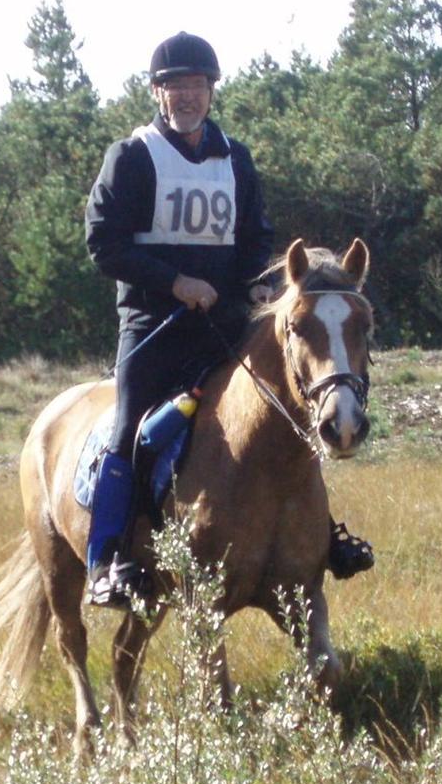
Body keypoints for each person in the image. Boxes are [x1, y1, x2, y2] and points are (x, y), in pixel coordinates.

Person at [83, 32, 373, 607]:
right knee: (126, 432)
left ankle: (322, 536)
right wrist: (175, 282)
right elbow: (103, 243)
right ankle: (110, 559)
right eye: (175, 87)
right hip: (153, 324)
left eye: (197, 86)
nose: (187, 97)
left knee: (291, 408)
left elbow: (257, 235)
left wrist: (249, 285)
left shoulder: (235, 158)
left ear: (211, 92)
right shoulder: (133, 156)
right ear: (157, 93)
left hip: (226, 319)